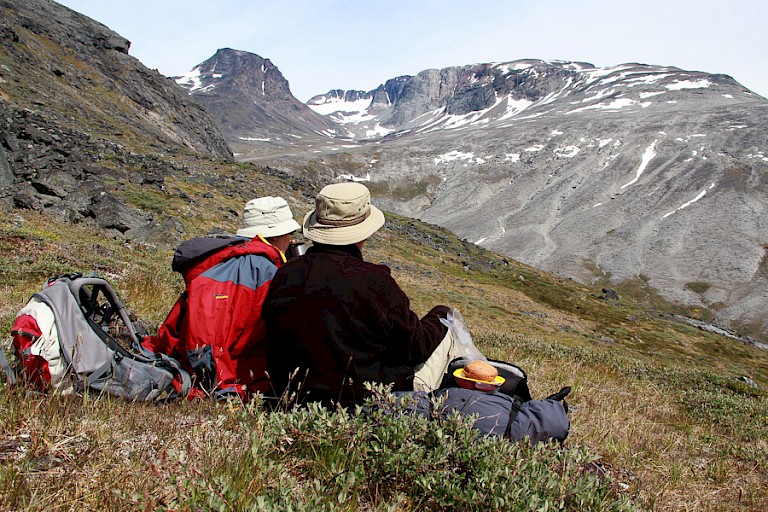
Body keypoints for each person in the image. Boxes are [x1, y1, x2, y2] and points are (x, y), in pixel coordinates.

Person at [262, 182, 463, 407]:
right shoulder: (374, 281)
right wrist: (439, 315)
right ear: (363, 232)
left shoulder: (284, 273)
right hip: (366, 403)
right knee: (449, 325)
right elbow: (415, 348)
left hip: (294, 400)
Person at [143, 196, 300, 400]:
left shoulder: (231, 260)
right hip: (237, 377)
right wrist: (220, 387)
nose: (292, 240)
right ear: (277, 234)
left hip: (222, 370)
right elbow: (206, 337)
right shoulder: (256, 268)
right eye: (290, 233)